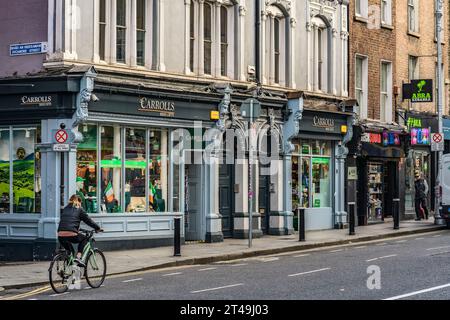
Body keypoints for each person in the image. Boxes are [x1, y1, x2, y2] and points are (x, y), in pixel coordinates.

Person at [58, 194, 103, 267]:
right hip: (71, 233)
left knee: (71, 252)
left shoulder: (65, 209)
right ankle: (79, 257)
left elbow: (67, 221)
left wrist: (77, 229)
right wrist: (97, 228)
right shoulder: (79, 209)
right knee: (84, 239)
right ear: (79, 202)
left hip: (60, 235)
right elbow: (89, 221)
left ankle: (67, 272)